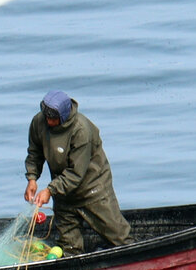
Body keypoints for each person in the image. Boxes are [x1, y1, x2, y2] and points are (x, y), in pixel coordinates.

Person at [24, 90, 133, 255]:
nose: (48, 121)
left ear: (63, 116)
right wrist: (32, 178)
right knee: (68, 247)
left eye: (52, 118)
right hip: (64, 194)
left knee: (119, 237)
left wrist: (50, 190)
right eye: (46, 116)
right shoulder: (39, 123)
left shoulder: (81, 130)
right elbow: (35, 153)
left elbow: (76, 173)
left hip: (92, 189)